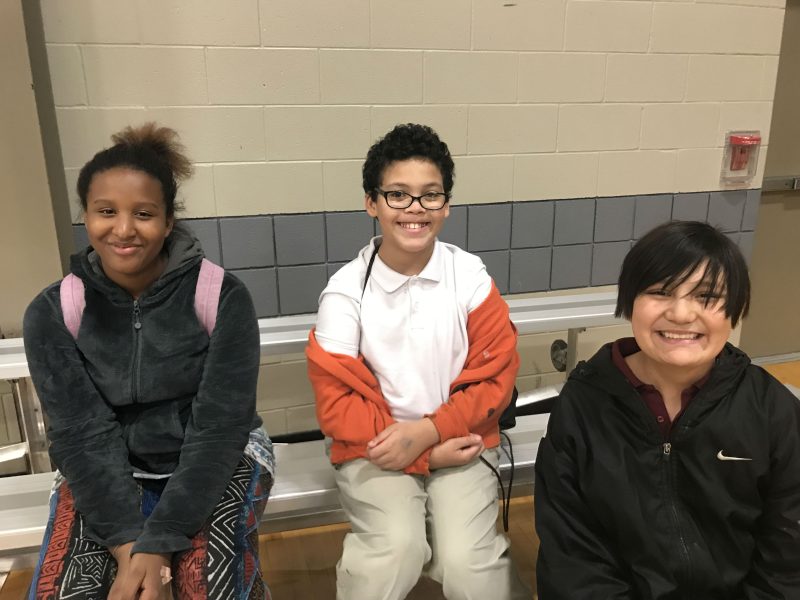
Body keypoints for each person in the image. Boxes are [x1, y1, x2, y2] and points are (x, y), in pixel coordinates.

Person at [23, 123, 274, 600]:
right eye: (105, 212)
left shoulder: (221, 296)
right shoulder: (55, 310)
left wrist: (158, 545)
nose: (123, 229)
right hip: (107, 465)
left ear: (168, 220)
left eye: (143, 214)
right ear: (86, 215)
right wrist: (126, 543)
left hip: (216, 454)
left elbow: (219, 428)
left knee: (207, 586)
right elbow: (80, 434)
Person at [306, 123, 529, 600]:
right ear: (372, 203)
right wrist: (422, 455)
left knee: (468, 562)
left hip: (462, 443)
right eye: (398, 195)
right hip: (374, 449)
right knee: (395, 549)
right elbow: (336, 405)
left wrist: (428, 436)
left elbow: (493, 382)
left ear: (446, 205)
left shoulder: (469, 278)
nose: (415, 210)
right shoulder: (345, 293)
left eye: (430, 196)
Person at [534, 220, 800, 599]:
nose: (680, 314)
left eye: (706, 297)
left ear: (735, 309)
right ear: (630, 301)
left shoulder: (770, 409)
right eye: (660, 292)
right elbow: (572, 553)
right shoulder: (584, 404)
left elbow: (788, 553)